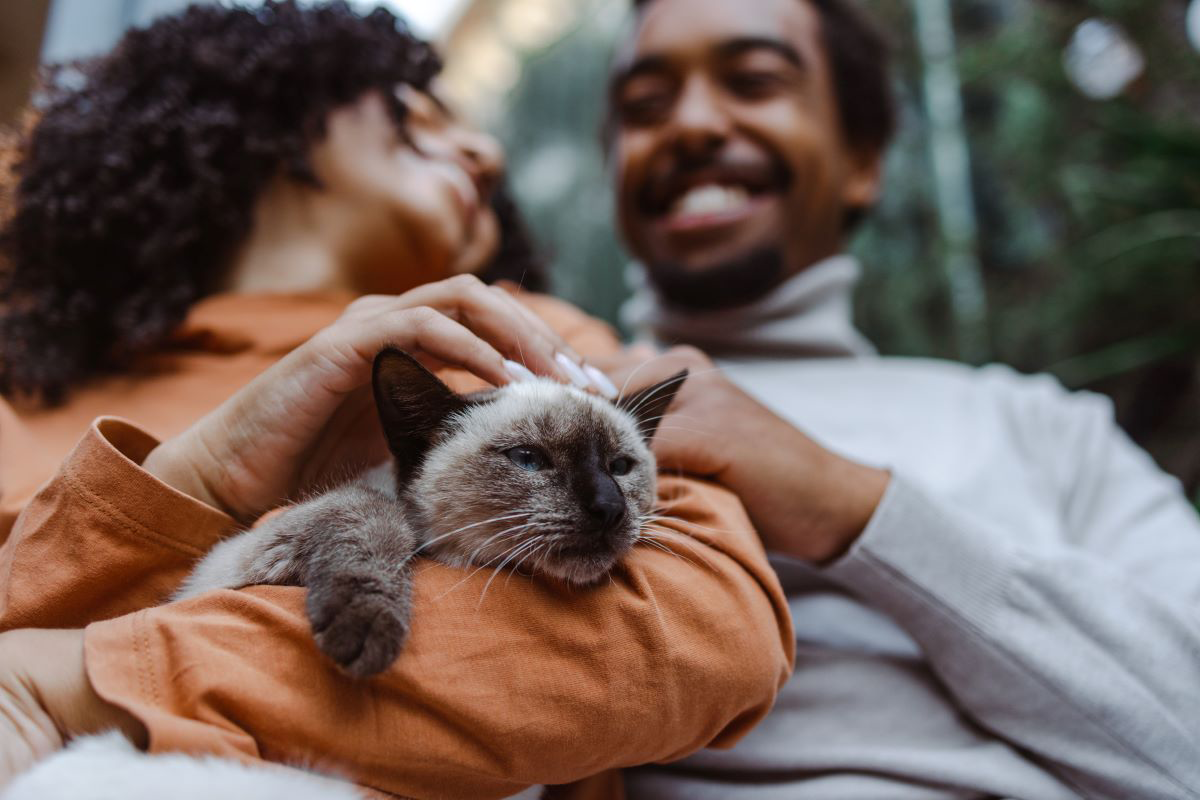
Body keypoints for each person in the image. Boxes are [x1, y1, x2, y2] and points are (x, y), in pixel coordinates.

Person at [0, 3, 792, 797]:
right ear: (262, 113)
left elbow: (707, 640)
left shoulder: (530, 350)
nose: (484, 149)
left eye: (483, 141)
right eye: (416, 113)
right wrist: (205, 476)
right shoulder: (21, 405)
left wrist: (76, 682)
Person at [595, 0, 1200, 797]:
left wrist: (849, 507)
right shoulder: (546, 426)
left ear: (863, 159)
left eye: (753, 80)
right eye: (645, 106)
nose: (694, 123)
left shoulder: (1044, 426)